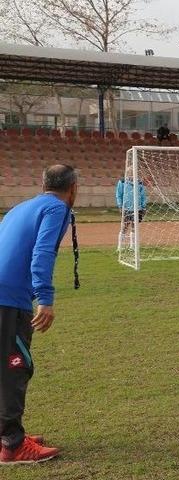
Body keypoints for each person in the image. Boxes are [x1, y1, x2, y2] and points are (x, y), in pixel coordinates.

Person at [0, 165, 80, 464]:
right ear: (73, 188)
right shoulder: (56, 208)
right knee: (14, 366)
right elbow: (42, 252)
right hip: (7, 299)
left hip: (5, 295)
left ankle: (10, 435)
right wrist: (45, 299)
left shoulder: (22, 206)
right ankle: (12, 445)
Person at [115, 169, 147, 247]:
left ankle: (133, 246)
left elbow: (143, 196)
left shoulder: (139, 183)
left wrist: (143, 207)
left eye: (134, 173)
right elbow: (118, 195)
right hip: (126, 208)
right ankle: (120, 246)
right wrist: (120, 205)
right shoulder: (122, 182)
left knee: (134, 227)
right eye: (130, 173)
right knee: (124, 226)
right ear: (127, 173)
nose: (132, 175)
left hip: (137, 208)